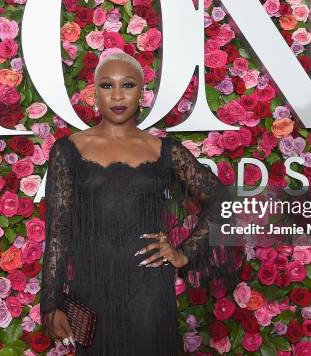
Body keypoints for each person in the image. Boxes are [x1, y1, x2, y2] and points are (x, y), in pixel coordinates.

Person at [40, 50, 231, 355]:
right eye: (107, 85)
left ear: (142, 94)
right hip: (92, 291)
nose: (117, 94)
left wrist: (183, 253)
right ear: (95, 95)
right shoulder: (68, 151)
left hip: (148, 293)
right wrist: (50, 305)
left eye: (127, 85)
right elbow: (58, 233)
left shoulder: (164, 150)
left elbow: (220, 199)